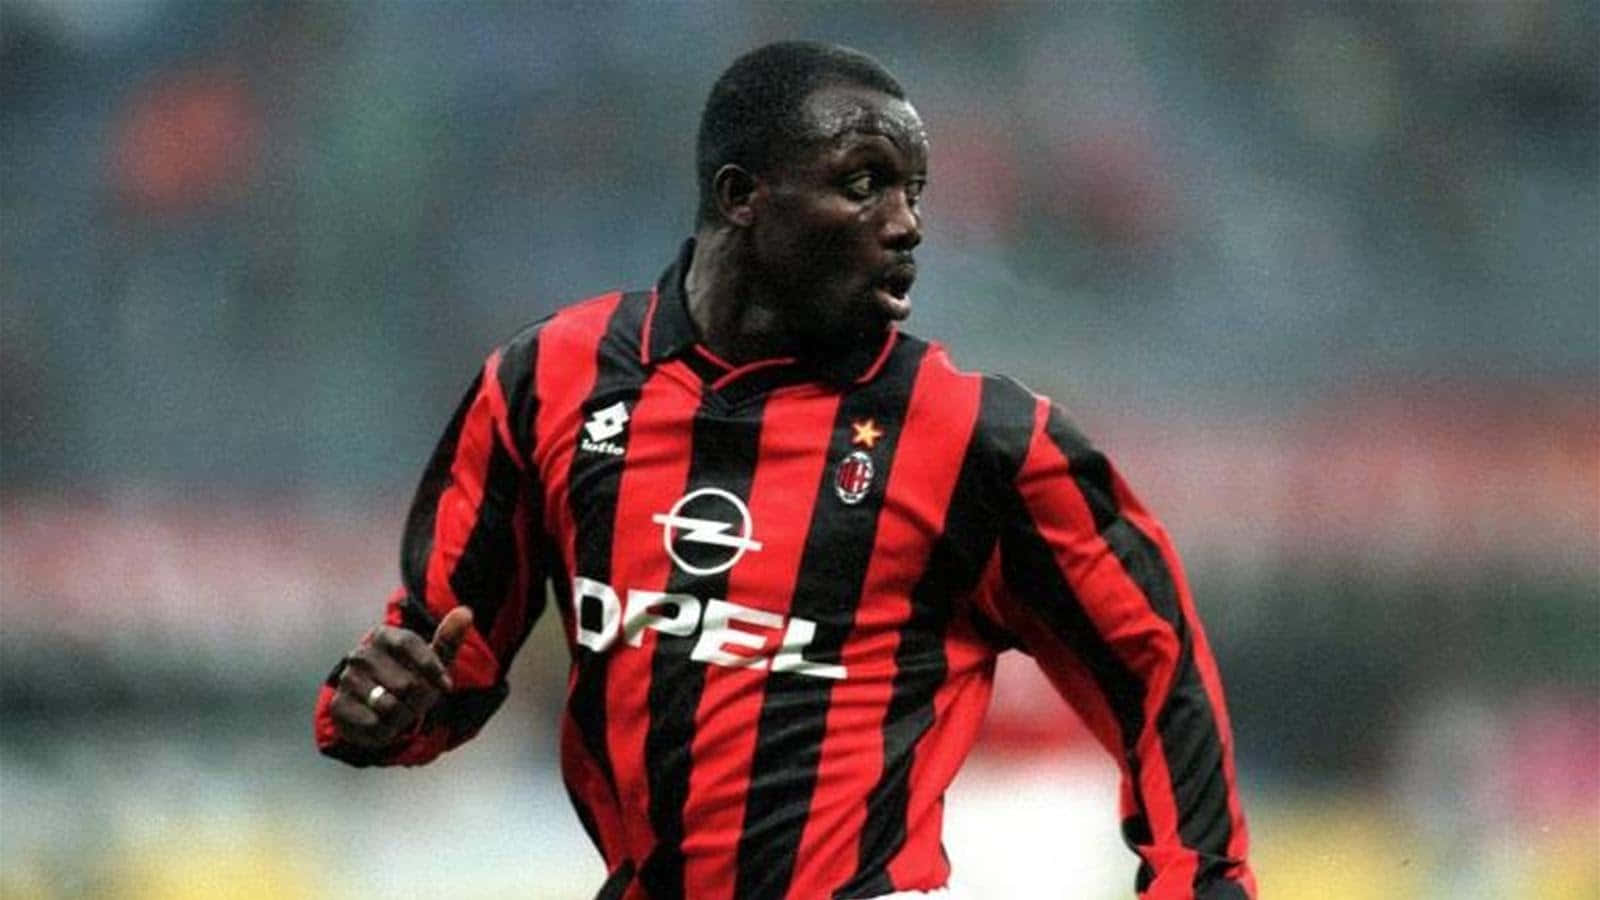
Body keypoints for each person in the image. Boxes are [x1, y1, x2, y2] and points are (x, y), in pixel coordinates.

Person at [314, 41, 1256, 900]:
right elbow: (443, 655)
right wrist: (383, 712)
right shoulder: (549, 381)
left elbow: (1157, 666)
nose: (906, 225)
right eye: (865, 184)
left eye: (915, 193)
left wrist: (1202, 882)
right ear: (742, 196)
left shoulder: (983, 440)